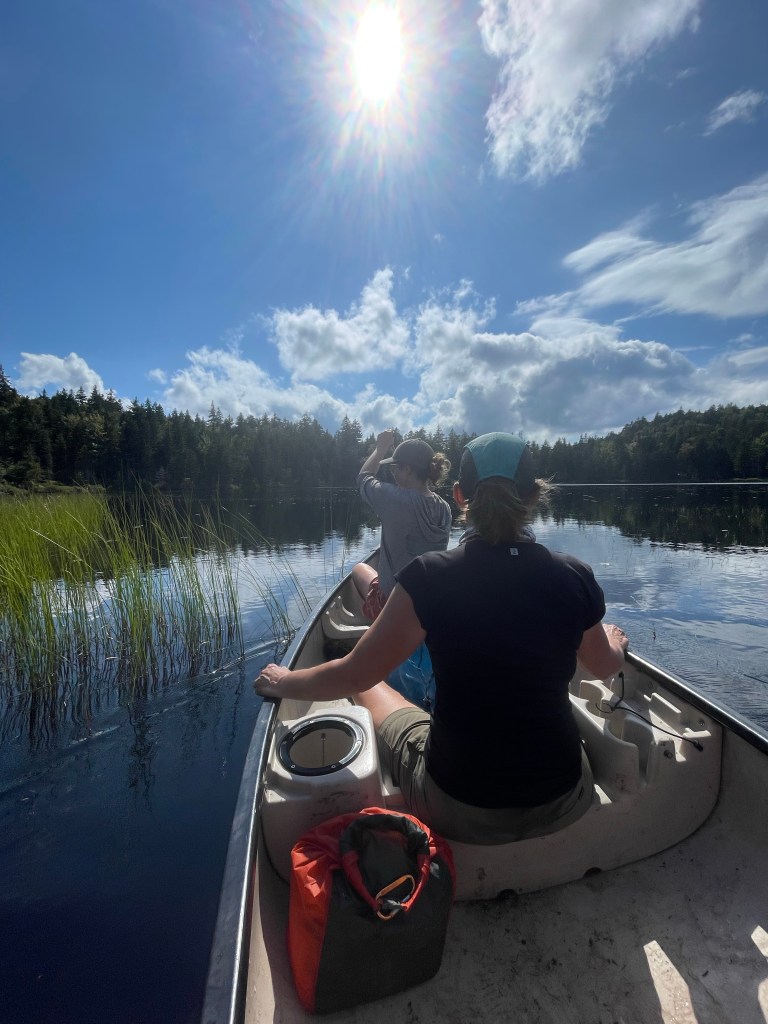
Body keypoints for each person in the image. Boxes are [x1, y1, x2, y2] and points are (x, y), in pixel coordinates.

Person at [256, 432, 629, 846]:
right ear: (533, 496)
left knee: (369, 685)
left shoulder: (430, 576)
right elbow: (605, 665)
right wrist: (615, 640)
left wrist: (284, 680)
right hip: (565, 798)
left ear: (460, 496)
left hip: (457, 805)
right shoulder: (574, 575)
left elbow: (352, 675)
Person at [352, 429, 452, 622]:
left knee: (358, 569)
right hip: (428, 604)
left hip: (392, 605)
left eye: (395, 468)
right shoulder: (444, 507)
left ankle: (375, 625)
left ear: (407, 469)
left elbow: (364, 477)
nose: (393, 473)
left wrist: (380, 448)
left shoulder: (395, 499)